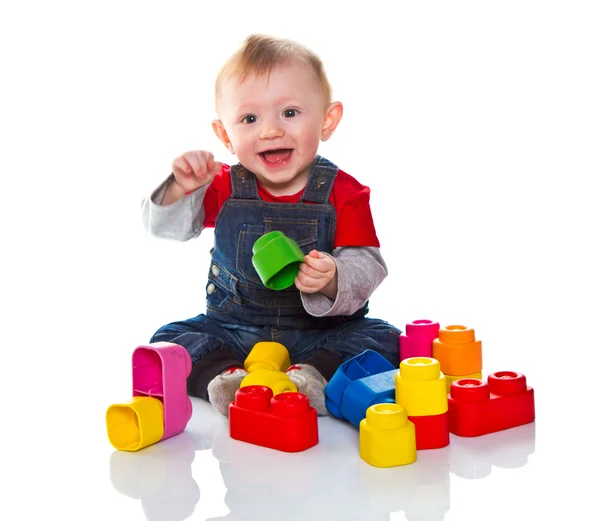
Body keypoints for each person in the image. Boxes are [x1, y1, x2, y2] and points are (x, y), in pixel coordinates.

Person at [141, 33, 401, 417]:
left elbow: (368, 264)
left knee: (388, 340)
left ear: (327, 121)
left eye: (290, 113)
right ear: (225, 135)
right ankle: (228, 378)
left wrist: (332, 278)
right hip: (236, 331)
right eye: (249, 118)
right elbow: (167, 228)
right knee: (169, 341)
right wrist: (183, 188)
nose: (270, 131)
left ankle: (309, 377)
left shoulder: (344, 191)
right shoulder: (225, 185)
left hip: (322, 334)